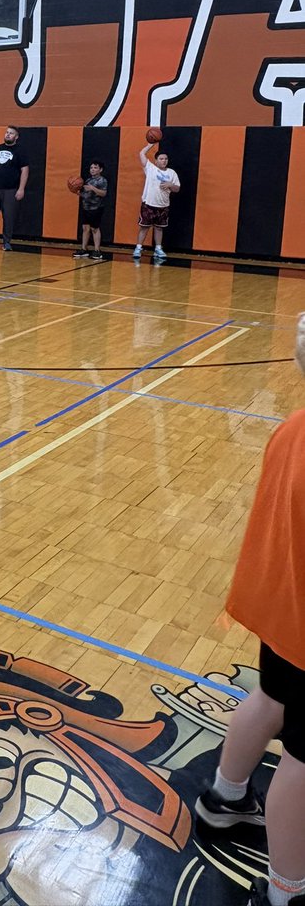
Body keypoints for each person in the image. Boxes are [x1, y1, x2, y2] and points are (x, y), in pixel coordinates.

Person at [194, 313, 305, 906]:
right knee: (304, 761)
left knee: (268, 698)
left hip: (283, 612)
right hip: (304, 627)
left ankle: (224, 797)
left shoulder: (292, 426)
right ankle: (289, 889)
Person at [133, 143, 179, 262]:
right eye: (161, 159)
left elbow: (177, 188)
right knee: (144, 227)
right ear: (156, 160)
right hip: (148, 204)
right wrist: (151, 144)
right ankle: (138, 248)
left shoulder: (172, 173)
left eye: (166, 159)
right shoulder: (150, 168)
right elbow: (141, 153)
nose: (164, 161)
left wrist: (171, 185)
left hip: (163, 205)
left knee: (159, 228)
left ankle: (158, 249)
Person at [74, 160, 108, 261]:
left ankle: (97, 251)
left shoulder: (102, 180)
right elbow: (86, 195)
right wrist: (77, 193)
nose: (92, 169)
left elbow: (103, 193)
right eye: (91, 168)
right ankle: (84, 249)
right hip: (86, 207)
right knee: (85, 228)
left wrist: (93, 188)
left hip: (96, 208)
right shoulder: (88, 180)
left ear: (100, 170)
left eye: (95, 168)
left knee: (95, 229)